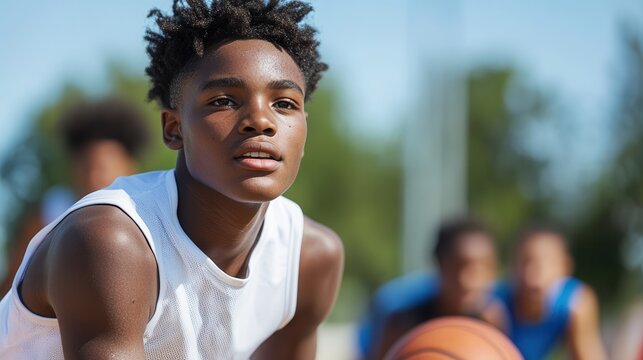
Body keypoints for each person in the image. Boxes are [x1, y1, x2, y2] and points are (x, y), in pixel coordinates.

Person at [0, 0, 344, 359]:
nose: (260, 120)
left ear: (305, 132)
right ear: (174, 128)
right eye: (225, 100)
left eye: (285, 104)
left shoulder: (311, 257)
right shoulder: (111, 241)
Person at [0, 98, 150, 295]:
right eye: (86, 167)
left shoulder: (147, 214)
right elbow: (12, 281)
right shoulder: (50, 212)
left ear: (130, 167)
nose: (94, 177)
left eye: (103, 168)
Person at [360, 217, 504, 359]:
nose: (469, 281)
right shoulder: (402, 324)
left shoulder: (492, 320)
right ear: (440, 265)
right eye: (459, 267)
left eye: (482, 268)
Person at [496, 224, 607, 360]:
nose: (531, 275)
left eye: (544, 264)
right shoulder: (495, 308)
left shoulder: (576, 303)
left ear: (565, 267)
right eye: (524, 263)